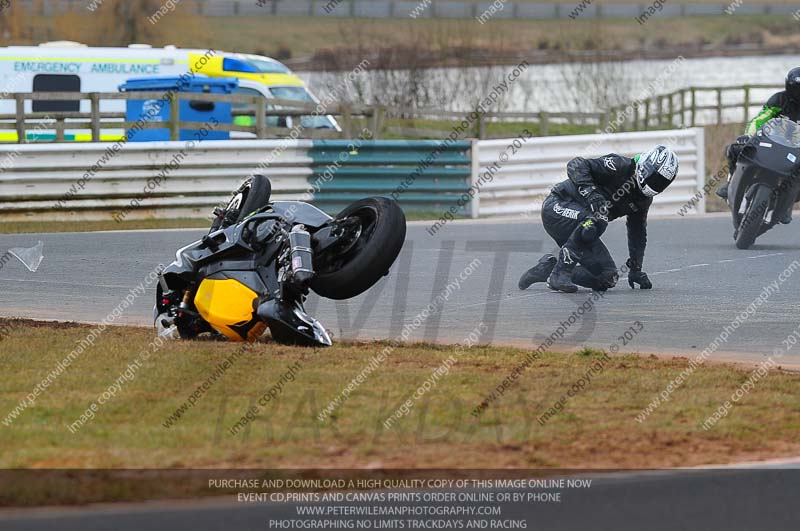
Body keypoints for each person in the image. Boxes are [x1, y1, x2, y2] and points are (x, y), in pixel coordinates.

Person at [518, 145, 679, 293]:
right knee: (598, 217)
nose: (655, 184)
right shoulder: (619, 165)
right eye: (655, 177)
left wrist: (636, 269)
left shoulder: (643, 199)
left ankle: (548, 268)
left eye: (662, 182)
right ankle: (560, 273)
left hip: (584, 228)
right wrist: (591, 192)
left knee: (608, 277)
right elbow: (575, 164)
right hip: (557, 206)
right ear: (647, 165)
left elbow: (638, 232)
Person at [717, 67, 800, 206]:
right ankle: (730, 184)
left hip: (796, 150)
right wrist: (748, 136)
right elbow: (759, 120)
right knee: (734, 149)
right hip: (772, 141)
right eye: (797, 89)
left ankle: (786, 205)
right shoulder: (779, 100)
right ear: (789, 87)